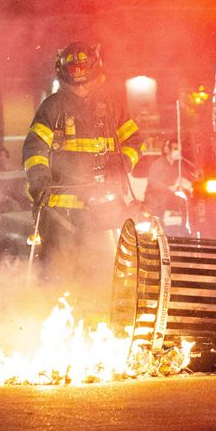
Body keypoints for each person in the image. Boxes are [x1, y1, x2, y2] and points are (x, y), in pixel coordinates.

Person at [22, 40, 143, 297]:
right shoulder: (53, 107)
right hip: (63, 214)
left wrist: (121, 163)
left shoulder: (112, 107)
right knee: (59, 277)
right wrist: (40, 181)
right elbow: (34, 149)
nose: (82, 84)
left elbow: (133, 141)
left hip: (105, 212)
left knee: (109, 276)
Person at [143, 138, 194, 231]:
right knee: (159, 227)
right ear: (167, 149)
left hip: (172, 201)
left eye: (179, 149)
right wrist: (168, 188)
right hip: (156, 202)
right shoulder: (157, 165)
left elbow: (186, 176)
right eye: (175, 148)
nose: (178, 151)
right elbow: (154, 182)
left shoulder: (178, 165)